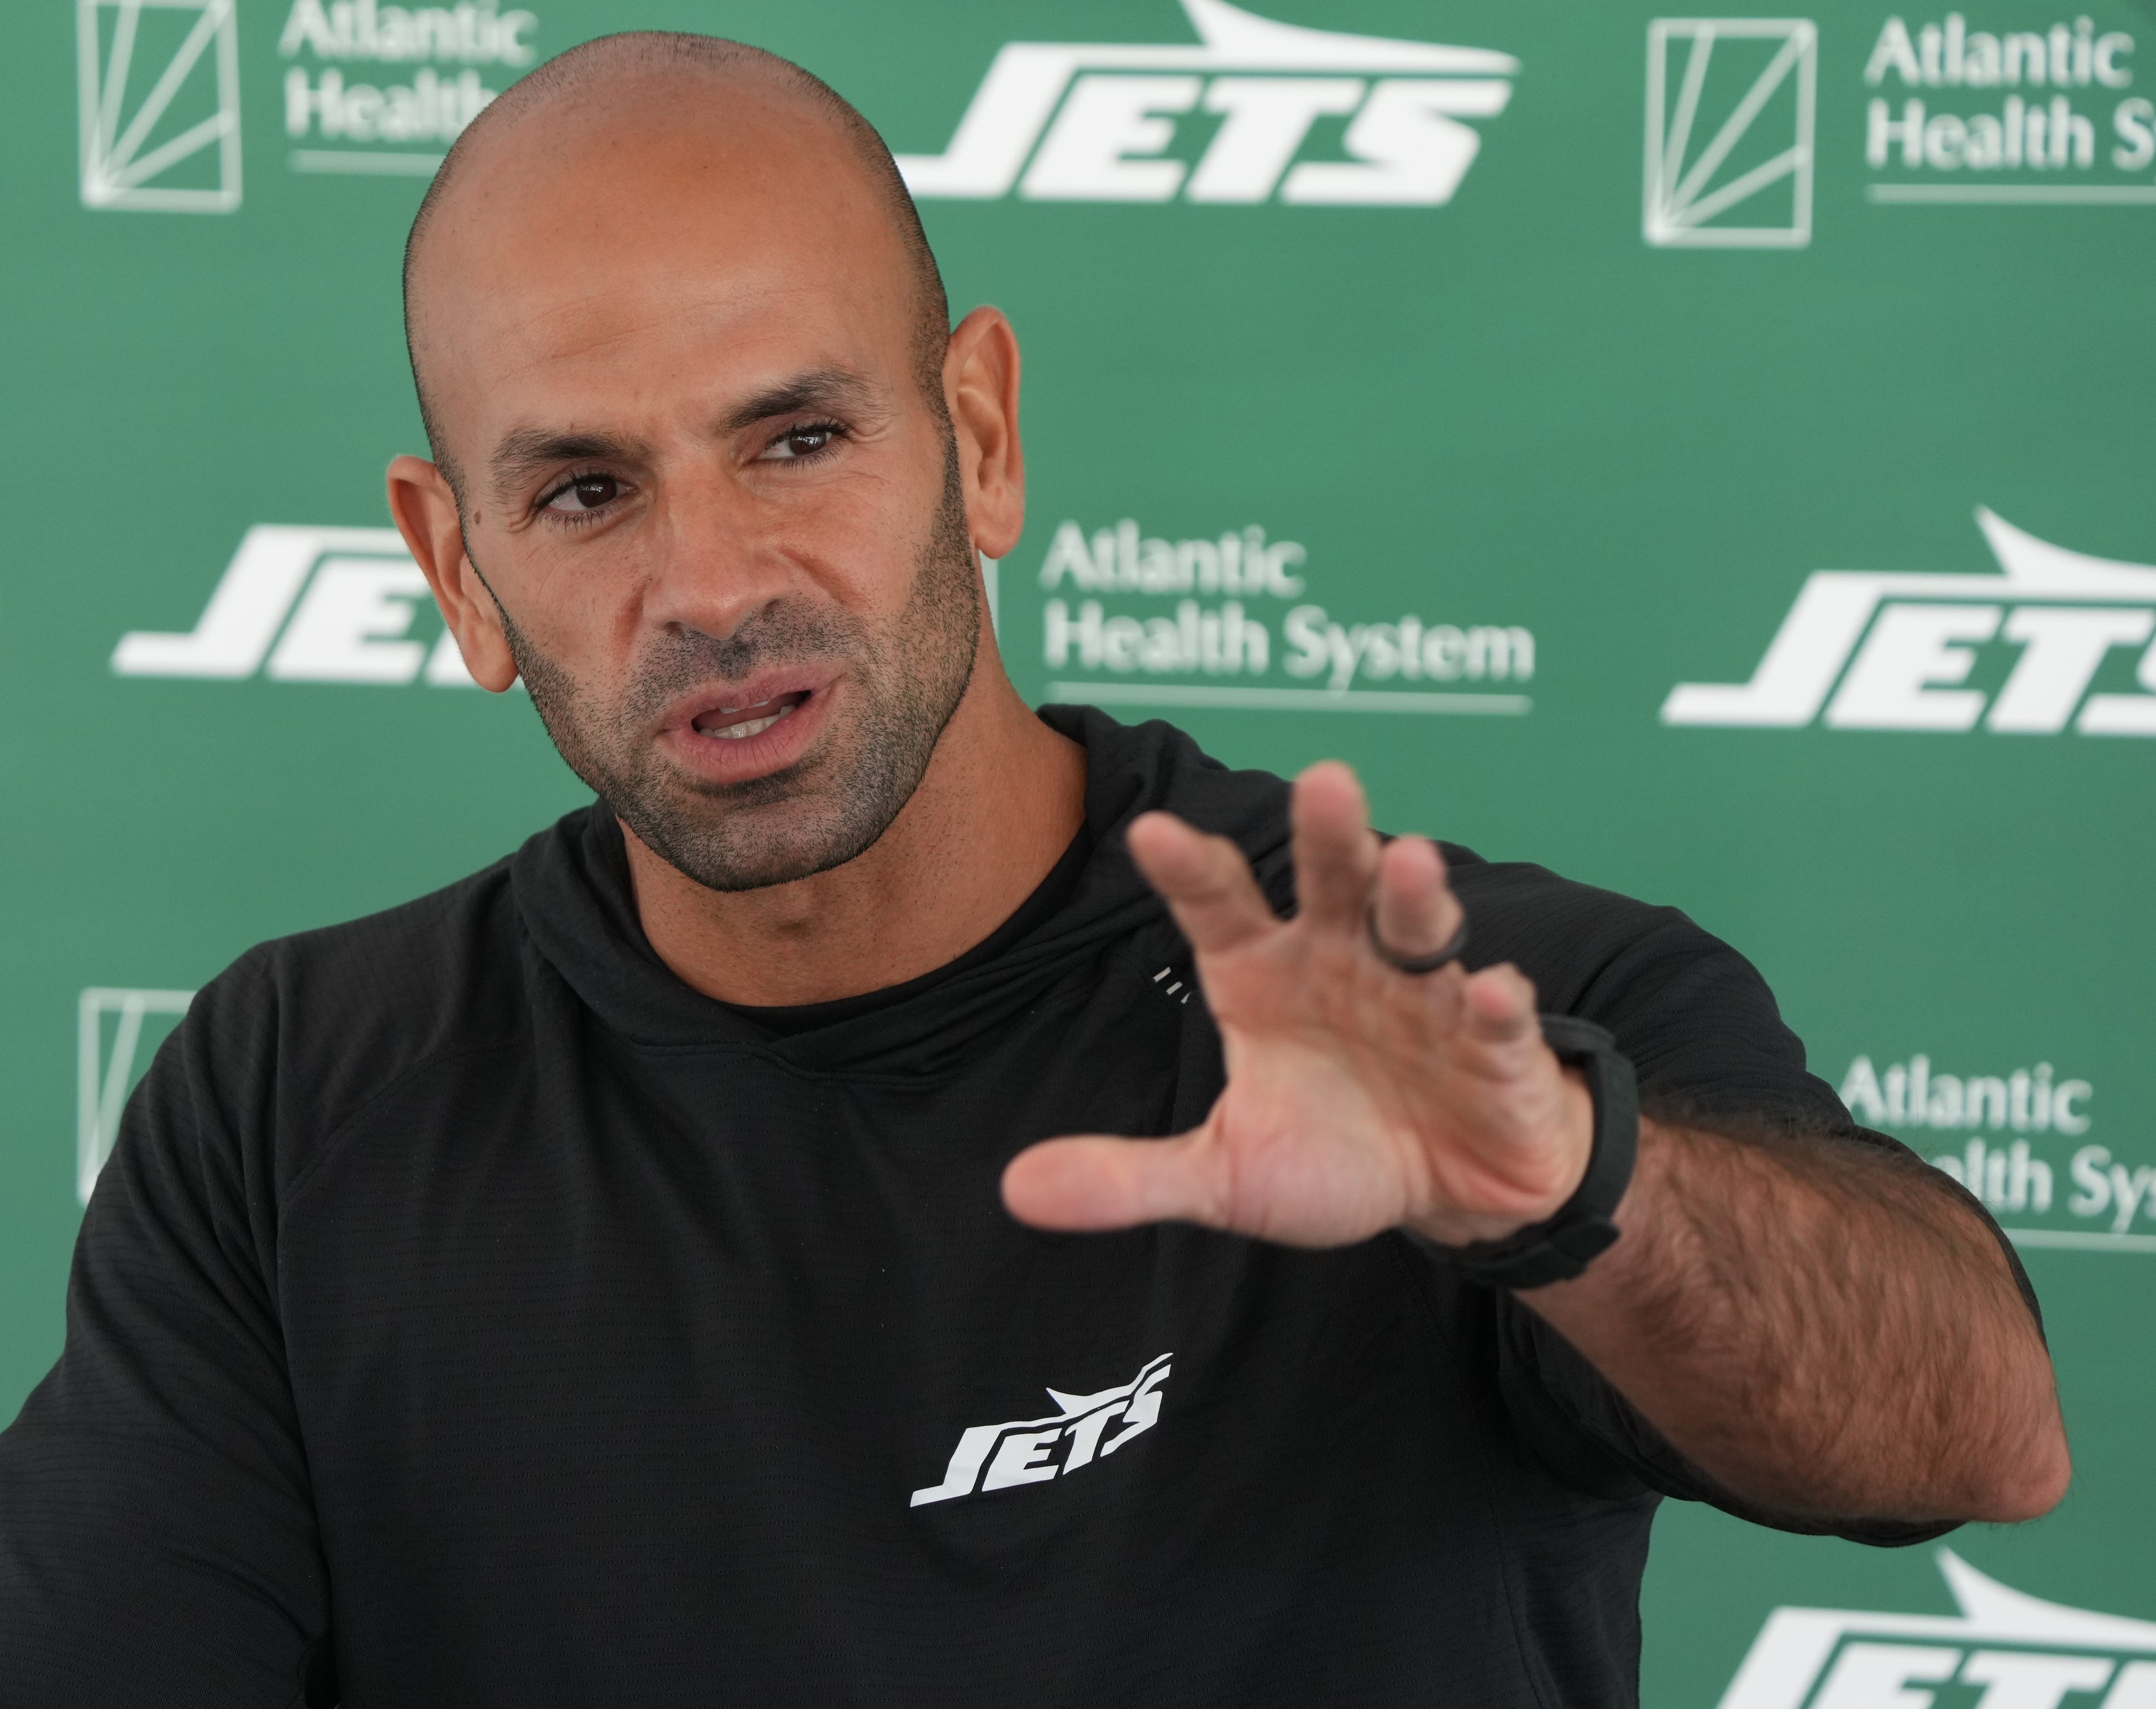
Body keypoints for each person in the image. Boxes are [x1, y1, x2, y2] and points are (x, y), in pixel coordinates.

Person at [0, 32, 2068, 1709]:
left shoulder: (1455, 1012)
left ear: (980, 435)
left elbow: (1982, 1433)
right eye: (586, 490)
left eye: (797, 438)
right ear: (461, 568)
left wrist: (1566, 1189)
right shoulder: (291, 1093)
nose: (711, 585)